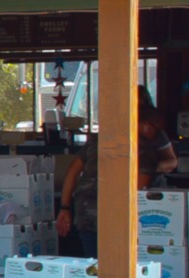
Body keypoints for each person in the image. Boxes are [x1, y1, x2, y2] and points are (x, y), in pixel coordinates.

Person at [57, 104, 179, 257]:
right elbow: (137, 192)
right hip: (116, 218)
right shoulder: (143, 151)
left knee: (92, 265)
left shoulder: (99, 139)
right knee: (115, 268)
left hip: (85, 210)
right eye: (157, 129)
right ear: (145, 125)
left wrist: (64, 207)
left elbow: (72, 172)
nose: (157, 134)